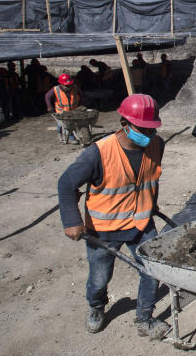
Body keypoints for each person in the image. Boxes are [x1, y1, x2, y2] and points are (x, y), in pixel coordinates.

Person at [57, 94, 168, 339]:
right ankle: (96, 307)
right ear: (124, 124)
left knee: (152, 270)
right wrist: (72, 222)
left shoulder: (157, 145)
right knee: (100, 277)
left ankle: (144, 318)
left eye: (152, 129)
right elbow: (66, 184)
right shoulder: (98, 153)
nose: (148, 135)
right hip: (104, 229)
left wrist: (153, 204)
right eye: (142, 129)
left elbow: (151, 178)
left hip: (141, 223)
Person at [46, 74, 82, 142]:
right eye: (66, 85)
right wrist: (49, 107)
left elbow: (81, 96)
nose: (69, 87)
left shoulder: (75, 88)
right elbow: (47, 96)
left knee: (71, 124)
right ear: (61, 84)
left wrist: (81, 105)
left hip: (73, 110)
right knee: (61, 124)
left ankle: (70, 137)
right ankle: (62, 135)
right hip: (61, 111)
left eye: (70, 85)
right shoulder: (55, 89)